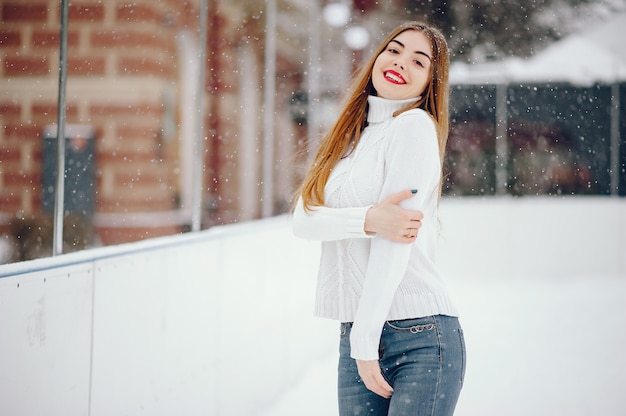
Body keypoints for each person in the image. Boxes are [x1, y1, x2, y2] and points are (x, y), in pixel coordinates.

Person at [292, 21, 465, 415]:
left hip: (419, 335)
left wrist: (367, 342)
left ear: (429, 84)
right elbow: (303, 219)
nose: (400, 63)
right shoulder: (349, 136)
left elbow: (394, 244)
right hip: (357, 332)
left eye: (418, 61)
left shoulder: (414, 127)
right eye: (394, 50)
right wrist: (368, 219)